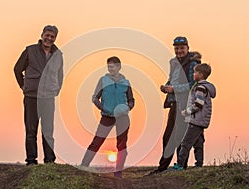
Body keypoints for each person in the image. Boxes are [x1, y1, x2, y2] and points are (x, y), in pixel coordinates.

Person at [146, 36, 201, 175]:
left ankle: (180, 166)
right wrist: (166, 87)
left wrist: (174, 89)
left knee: (179, 137)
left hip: (185, 102)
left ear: (187, 48)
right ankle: (163, 167)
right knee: (168, 136)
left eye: (182, 48)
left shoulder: (193, 63)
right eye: (176, 48)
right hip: (174, 102)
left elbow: (193, 84)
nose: (179, 51)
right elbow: (173, 80)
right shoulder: (174, 63)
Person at [14, 25, 63, 165]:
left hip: (48, 97)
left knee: (48, 131)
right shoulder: (30, 51)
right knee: (31, 130)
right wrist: (23, 86)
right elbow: (17, 69)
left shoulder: (58, 55)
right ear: (42, 35)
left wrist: (56, 90)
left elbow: (60, 75)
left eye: (52, 36)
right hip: (31, 96)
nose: (49, 38)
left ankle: (49, 160)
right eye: (47, 35)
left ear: (55, 39)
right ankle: (31, 160)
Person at [81, 56, 135, 178]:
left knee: (122, 145)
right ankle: (84, 165)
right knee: (97, 142)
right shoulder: (103, 80)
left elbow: (131, 100)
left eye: (113, 66)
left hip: (122, 117)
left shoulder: (126, 82)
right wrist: (102, 108)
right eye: (109, 66)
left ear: (119, 67)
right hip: (107, 116)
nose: (110, 68)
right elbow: (95, 97)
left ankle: (118, 172)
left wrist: (128, 108)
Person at [172, 63, 216, 170]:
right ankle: (199, 164)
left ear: (200, 74)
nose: (193, 74)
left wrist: (186, 112)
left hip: (196, 121)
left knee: (185, 143)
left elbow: (198, 104)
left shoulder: (200, 88)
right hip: (200, 121)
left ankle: (180, 165)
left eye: (195, 72)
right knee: (198, 143)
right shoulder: (203, 87)